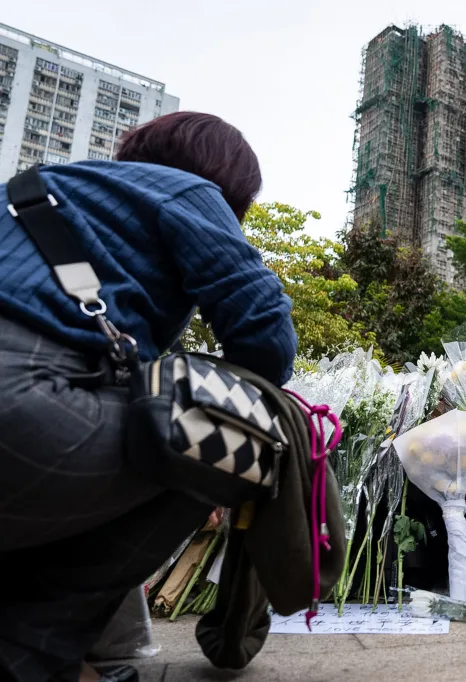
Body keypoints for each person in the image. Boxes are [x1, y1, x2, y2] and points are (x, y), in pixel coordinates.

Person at [0, 112, 298, 682]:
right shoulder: (186, 189)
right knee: (223, 431)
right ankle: (28, 653)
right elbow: (265, 339)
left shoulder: (28, 189)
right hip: (19, 411)